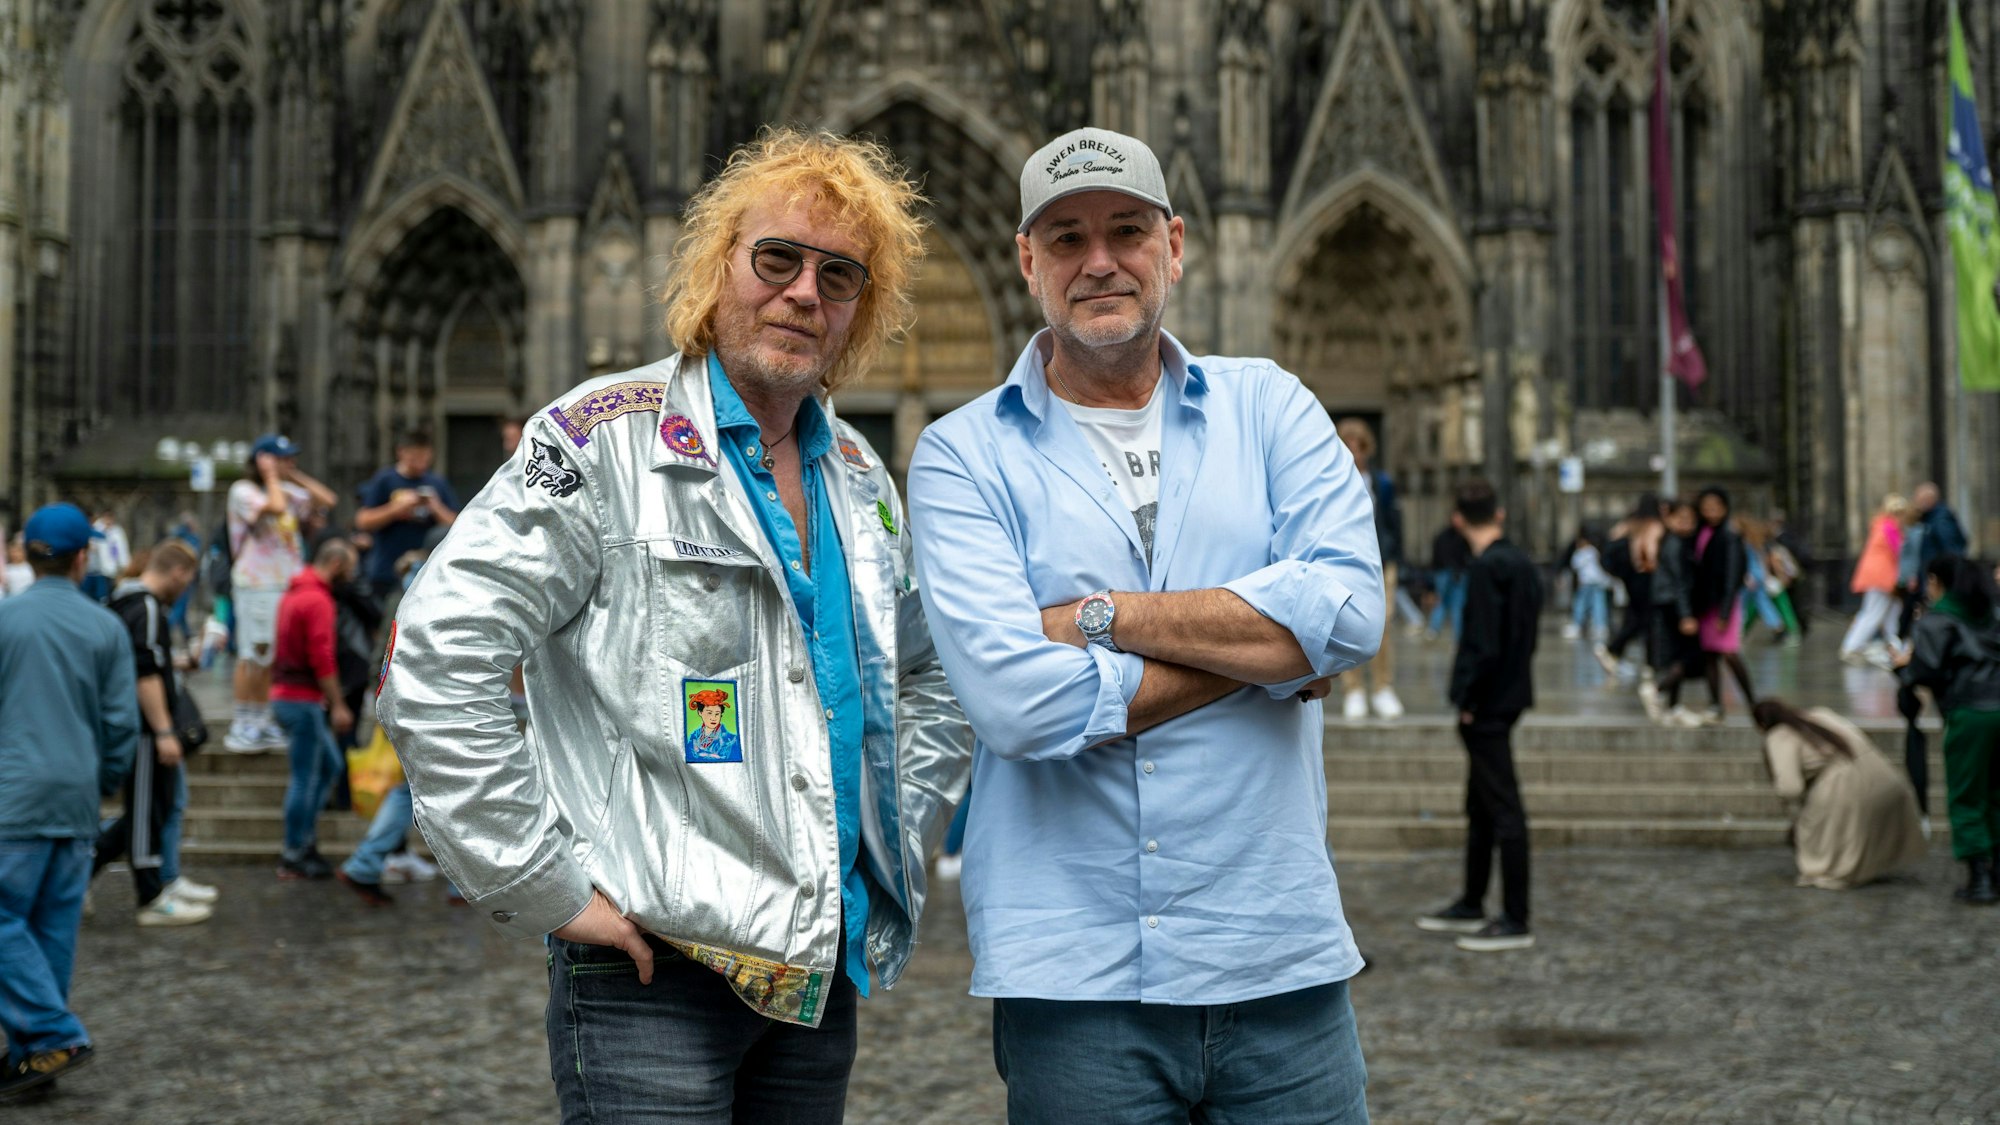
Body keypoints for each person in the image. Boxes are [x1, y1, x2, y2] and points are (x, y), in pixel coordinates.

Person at [377, 127, 971, 1122]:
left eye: (838, 275)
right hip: (651, 973)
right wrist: (544, 887)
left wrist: (891, 846)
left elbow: (931, 683)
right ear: (715, 268)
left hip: (814, 977)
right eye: (775, 259)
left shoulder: (861, 479)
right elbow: (436, 655)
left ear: (860, 311)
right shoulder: (602, 438)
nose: (802, 292)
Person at [907, 126, 1375, 1124]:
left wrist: (1095, 621)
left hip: (1277, 961)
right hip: (1074, 982)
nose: (1099, 261)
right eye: (1066, 239)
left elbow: (1347, 611)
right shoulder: (961, 454)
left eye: (1124, 230)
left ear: (1174, 245)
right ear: (1026, 260)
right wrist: (1266, 655)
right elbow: (1017, 708)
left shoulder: (1271, 408)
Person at [0, 503, 138, 1100]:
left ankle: (57, 1031)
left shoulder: (5, 621)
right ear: (84, 557)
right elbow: (120, 725)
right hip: (76, 798)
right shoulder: (105, 626)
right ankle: (38, 1058)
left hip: (13, 796)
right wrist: (101, 777)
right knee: (51, 932)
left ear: (27, 555)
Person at [1417, 478, 1543, 952]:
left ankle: (1515, 916)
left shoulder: (1489, 568)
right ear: (1500, 514)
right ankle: (1472, 901)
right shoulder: (1522, 564)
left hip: (1487, 703)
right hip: (1510, 694)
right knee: (1482, 804)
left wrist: (1468, 700)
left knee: (1503, 807)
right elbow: (1526, 640)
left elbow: (1482, 645)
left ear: (1456, 520)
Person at [93, 540, 213, 925]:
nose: (186, 587)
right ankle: (150, 896)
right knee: (145, 809)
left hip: (141, 725)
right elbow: (144, 674)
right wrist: (163, 731)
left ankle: (104, 874)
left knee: (154, 806)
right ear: (177, 572)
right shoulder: (144, 605)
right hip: (145, 728)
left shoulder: (130, 602)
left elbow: (142, 664)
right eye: (188, 579)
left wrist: (175, 665)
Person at [1895, 556, 2000, 905]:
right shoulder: (1991, 612)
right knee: (1997, 792)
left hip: (1970, 712)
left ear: (1937, 581)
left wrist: (1905, 668)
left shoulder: (1937, 620)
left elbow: (1927, 671)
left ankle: (1980, 877)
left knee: (1967, 793)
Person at [224, 434, 336, 752]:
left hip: (283, 583)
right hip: (257, 583)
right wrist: (272, 476)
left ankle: (261, 720)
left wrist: (291, 475)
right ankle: (244, 723)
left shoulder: (284, 489)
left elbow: (326, 500)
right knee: (254, 652)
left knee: (272, 653)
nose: (290, 463)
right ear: (262, 460)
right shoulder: (243, 491)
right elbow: (272, 508)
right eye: (282, 458)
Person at [1752, 699, 1926, 890]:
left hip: (1844, 785)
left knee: (1812, 824)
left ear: (1761, 725)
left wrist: (1797, 814)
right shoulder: (1821, 714)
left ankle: (1834, 867)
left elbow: (1790, 788)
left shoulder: (1779, 735)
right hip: (1883, 775)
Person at [269, 539, 358, 881]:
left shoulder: (293, 593)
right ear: (336, 564)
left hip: (288, 696)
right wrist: (337, 705)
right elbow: (323, 657)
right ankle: (295, 851)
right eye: (349, 568)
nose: (351, 575)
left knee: (330, 765)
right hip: (300, 699)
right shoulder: (318, 599)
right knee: (305, 777)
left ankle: (303, 841)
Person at [1336, 417, 1404, 720]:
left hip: (1381, 559)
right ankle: (1354, 690)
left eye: (1358, 446)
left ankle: (1382, 687)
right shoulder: (1331, 480)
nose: (1354, 451)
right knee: (1348, 622)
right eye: (1347, 445)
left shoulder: (1382, 483)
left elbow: (1393, 522)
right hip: (1346, 560)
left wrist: (1395, 556)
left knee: (1383, 624)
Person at [353, 431, 459, 610]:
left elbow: (457, 525)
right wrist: (396, 509)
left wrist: (435, 506)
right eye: (416, 456)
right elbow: (363, 520)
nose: (421, 462)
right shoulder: (385, 480)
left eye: (425, 456)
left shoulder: (436, 483)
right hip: (387, 570)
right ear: (401, 452)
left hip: (426, 570)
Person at [1690, 488, 1756, 721]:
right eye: (1706, 507)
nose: (1711, 512)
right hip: (1705, 604)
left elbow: (1732, 575)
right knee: (1709, 655)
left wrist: (1726, 611)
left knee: (1729, 653)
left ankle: (1751, 701)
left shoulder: (1729, 536)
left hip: (1722, 604)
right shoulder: (1700, 532)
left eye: (1715, 507)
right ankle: (1715, 704)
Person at [1640, 499, 1705, 726]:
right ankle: (1658, 690)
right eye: (1681, 519)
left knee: (1677, 656)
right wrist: (1686, 614)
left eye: (1690, 520)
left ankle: (1673, 705)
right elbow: (1680, 583)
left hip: (1668, 601)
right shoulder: (1675, 544)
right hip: (1674, 605)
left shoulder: (1673, 541)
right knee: (1689, 656)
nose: (1687, 524)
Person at [1840, 494, 1906, 666]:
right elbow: (1898, 551)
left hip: (1876, 575)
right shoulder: (1890, 527)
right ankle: (1852, 647)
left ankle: (1896, 645)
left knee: (1890, 612)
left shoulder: (1880, 525)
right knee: (1874, 613)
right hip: (1882, 576)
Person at [1599, 495, 1661, 678]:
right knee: (1644, 620)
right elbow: (1651, 553)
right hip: (1646, 576)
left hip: (1631, 577)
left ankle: (1617, 651)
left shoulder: (1631, 524)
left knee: (1636, 617)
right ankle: (1616, 650)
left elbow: (1611, 540)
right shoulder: (1653, 526)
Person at [1564, 529, 1610, 644]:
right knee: (1598, 604)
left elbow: (1575, 565)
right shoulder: (1594, 551)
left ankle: (1577, 625)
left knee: (1580, 603)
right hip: (1597, 581)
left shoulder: (1581, 553)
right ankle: (1600, 626)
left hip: (1586, 582)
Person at [1428, 522, 1470, 640]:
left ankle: (1457, 634)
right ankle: (1434, 629)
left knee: (1457, 605)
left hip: (1458, 573)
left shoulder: (1462, 537)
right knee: (1442, 601)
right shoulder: (1444, 536)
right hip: (1445, 573)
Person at [83, 510, 129, 604]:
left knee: (105, 596)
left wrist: (123, 565)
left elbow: (121, 549)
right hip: (93, 571)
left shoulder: (116, 531)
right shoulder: (96, 529)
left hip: (107, 569)